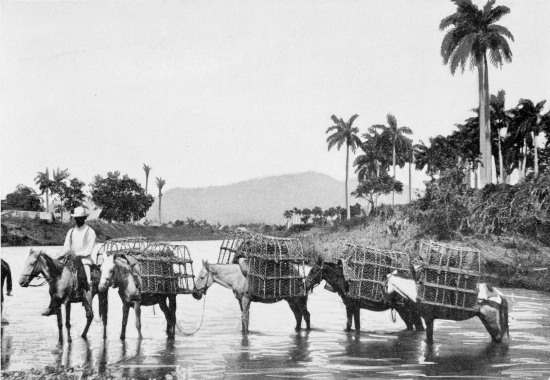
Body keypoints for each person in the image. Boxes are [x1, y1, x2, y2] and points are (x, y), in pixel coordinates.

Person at [42, 206, 97, 316]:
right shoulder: (71, 231)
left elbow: (88, 250)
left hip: (84, 260)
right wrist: (57, 257)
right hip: (70, 259)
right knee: (56, 274)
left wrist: (76, 254)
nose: (78, 220)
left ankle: (88, 304)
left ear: (84, 218)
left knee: (87, 278)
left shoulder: (90, 232)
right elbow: (66, 247)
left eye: (80, 218)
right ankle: (53, 302)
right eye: (76, 218)